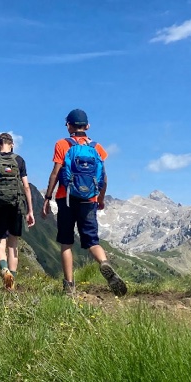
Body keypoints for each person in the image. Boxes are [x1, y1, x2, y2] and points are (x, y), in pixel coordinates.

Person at [42, 109, 127, 297]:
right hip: (89, 199)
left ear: (68, 126)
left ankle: (69, 286)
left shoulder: (62, 144)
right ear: (87, 126)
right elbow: (103, 178)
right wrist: (101, 199)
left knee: (66, 243)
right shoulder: (97, 148)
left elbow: (56, 172)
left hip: (67, 198)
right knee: (92, 241)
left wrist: (47, 198)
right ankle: (104, 263)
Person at [0, 132, 35, 291]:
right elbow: (26, 187)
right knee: (13, 245)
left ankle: (4, 270)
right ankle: (11, 283)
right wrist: (30, 210)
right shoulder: (19, 160)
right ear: (12, 144)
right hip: (16, 206)